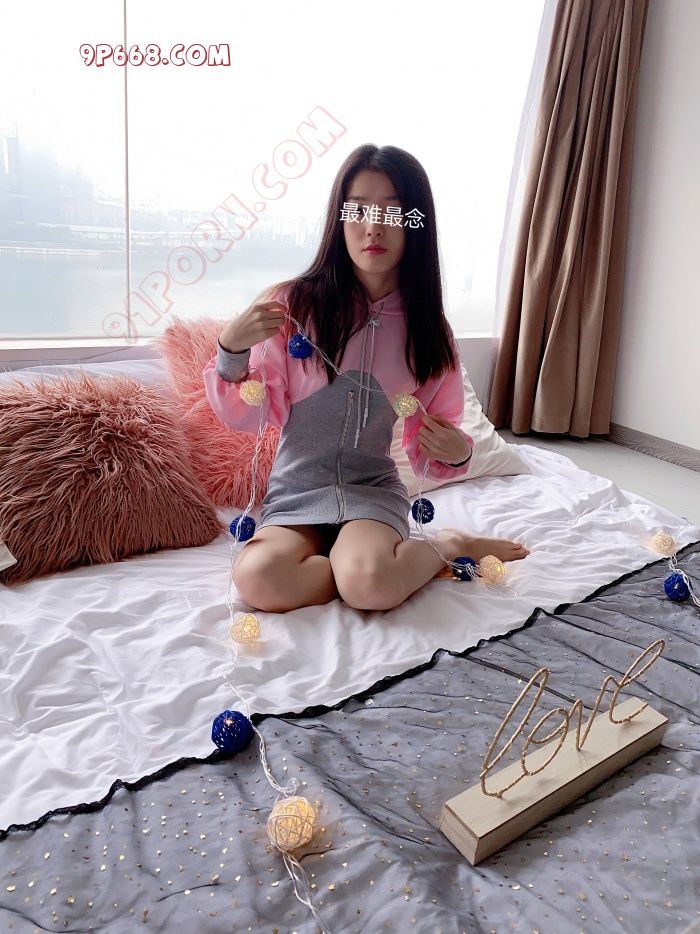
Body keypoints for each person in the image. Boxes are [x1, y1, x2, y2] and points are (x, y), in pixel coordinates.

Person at [203, 144, 529, 613]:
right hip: (297, 493)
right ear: (339, 219)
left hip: (370, 493)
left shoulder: (428, 330)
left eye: (392, 213)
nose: (373, 226)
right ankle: (351, 566)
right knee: (257, 578)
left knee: (371, 585)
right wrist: (231, 352)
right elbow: (251, 414)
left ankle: (448, 543)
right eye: (358, 210)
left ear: (415, 224)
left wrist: (458, 453)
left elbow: (439, 433)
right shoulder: (293, 306)